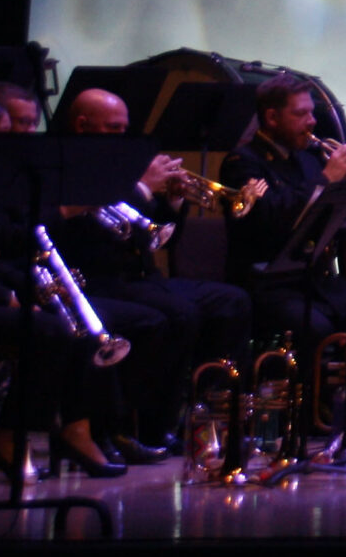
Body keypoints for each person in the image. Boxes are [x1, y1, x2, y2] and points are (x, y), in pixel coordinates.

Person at [54, 87, 251, 457]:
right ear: (82, 125)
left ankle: (200, 417)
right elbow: (85, 234)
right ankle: (143, 426)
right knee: (177, 315)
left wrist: (171, 200)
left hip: (139, 276)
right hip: (97, 278)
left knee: (231, 300)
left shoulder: (119, 161)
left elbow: (151, 234)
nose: (122, 136)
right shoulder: (67, 165)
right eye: (113, 128)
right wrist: (144, 189)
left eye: (124, 127)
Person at [218, 75, 346, 362]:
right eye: (301, 113)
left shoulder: (308, 157)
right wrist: (327, 178)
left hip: (316, 282)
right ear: (272, 118)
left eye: (312, 112)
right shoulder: (241, 163)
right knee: (317, 329)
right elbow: (271, 218)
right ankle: (315, 405)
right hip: (268, 286)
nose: (312, 121)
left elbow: (327, 223)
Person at [0, 199, 129, 480]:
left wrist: (40, 288)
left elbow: (4, 254)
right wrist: (8, 298)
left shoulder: (1, 188)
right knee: (51, 331)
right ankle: (8, 435)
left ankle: (79, 428)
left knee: (84, 321)